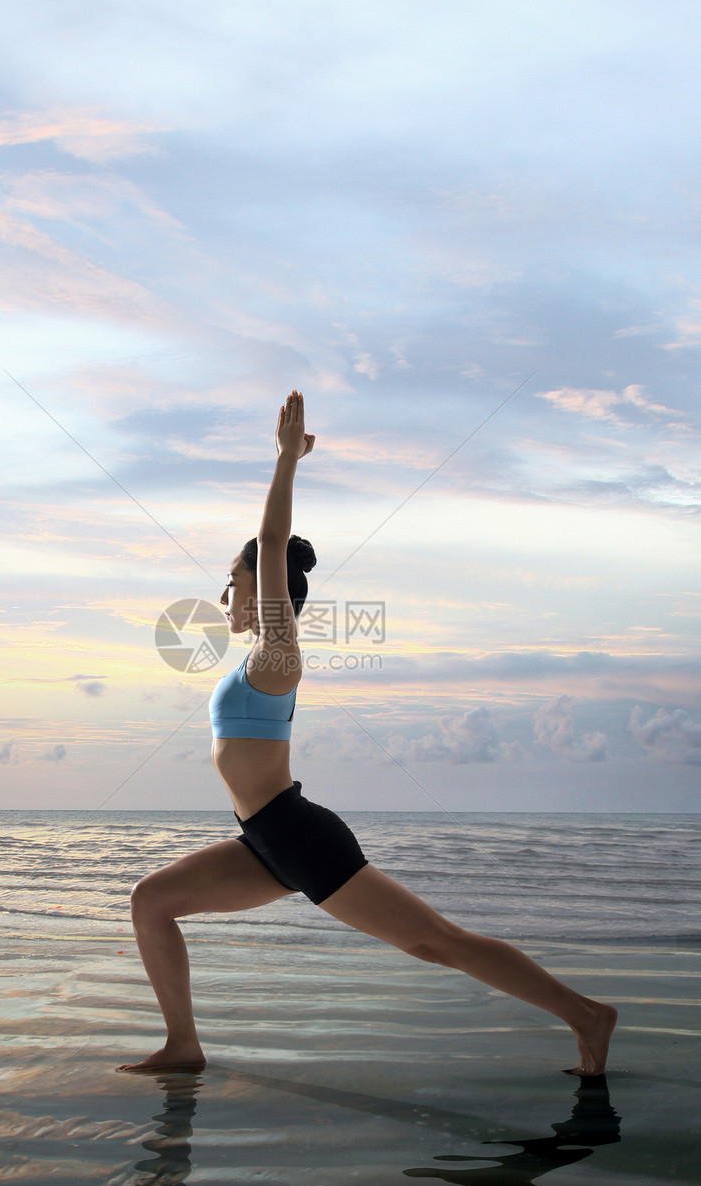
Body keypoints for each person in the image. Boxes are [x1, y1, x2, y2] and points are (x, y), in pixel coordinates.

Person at [119, 391, 617, 1076]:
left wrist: (285, 461)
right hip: (263, 840)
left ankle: (587, 1015)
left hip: (297, 835)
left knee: (435, 942)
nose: (225, 596)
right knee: (152, 902)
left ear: (262, 586)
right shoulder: (254, 661)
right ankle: (183, 1045)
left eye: (231, 582)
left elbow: (269, 544)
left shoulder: (277, 655)